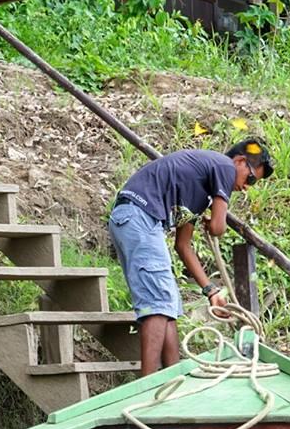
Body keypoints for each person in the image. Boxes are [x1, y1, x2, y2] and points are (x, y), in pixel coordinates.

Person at [108, 138, 273, 376]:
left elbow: (183, 246)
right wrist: (216, 218)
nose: (247, 187)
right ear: (239, 161)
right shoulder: (224, 167)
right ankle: (145, 386)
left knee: (171, 305)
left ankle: (173, 380)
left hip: (133, 220)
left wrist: (211, 292)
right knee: (158, 302)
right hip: (140, 216)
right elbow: (218, 228)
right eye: (250, 179)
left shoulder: (199, 193)